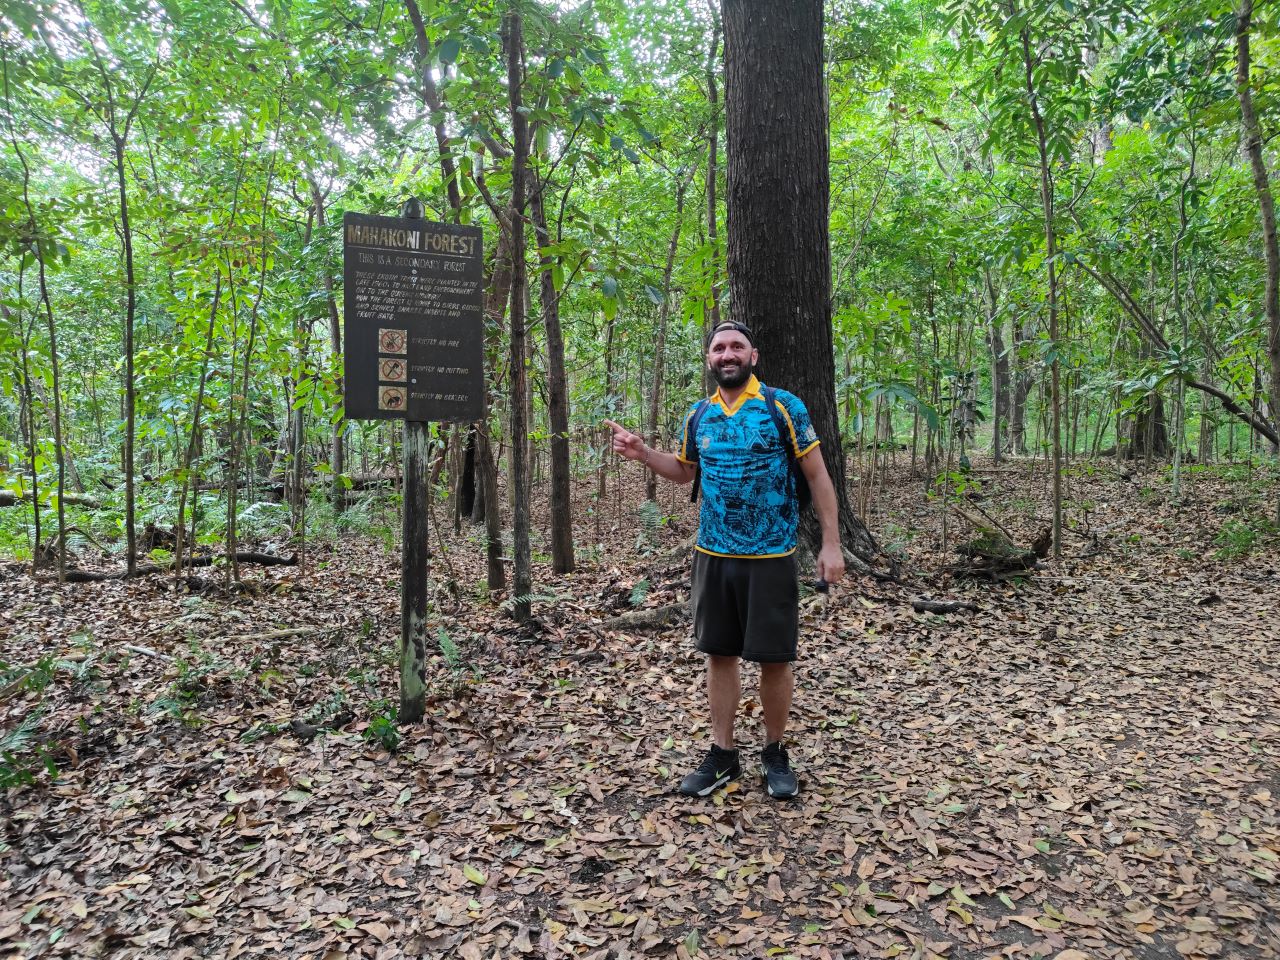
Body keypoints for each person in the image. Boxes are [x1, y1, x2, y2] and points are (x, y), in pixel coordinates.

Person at [605, 320, 845, 799]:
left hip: (772, 555)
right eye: (719, 347)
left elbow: (818, 476)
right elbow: (684, 471)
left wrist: (831, 543)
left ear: (753, 356)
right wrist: (642, 453)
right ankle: (722, 754)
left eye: (737, 346)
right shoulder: (700, 415)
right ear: (710, 359)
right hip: (714, 554)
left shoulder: (782, 407)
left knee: (774, 659)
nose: (727, 354)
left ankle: (774, 752)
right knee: (720, 654)